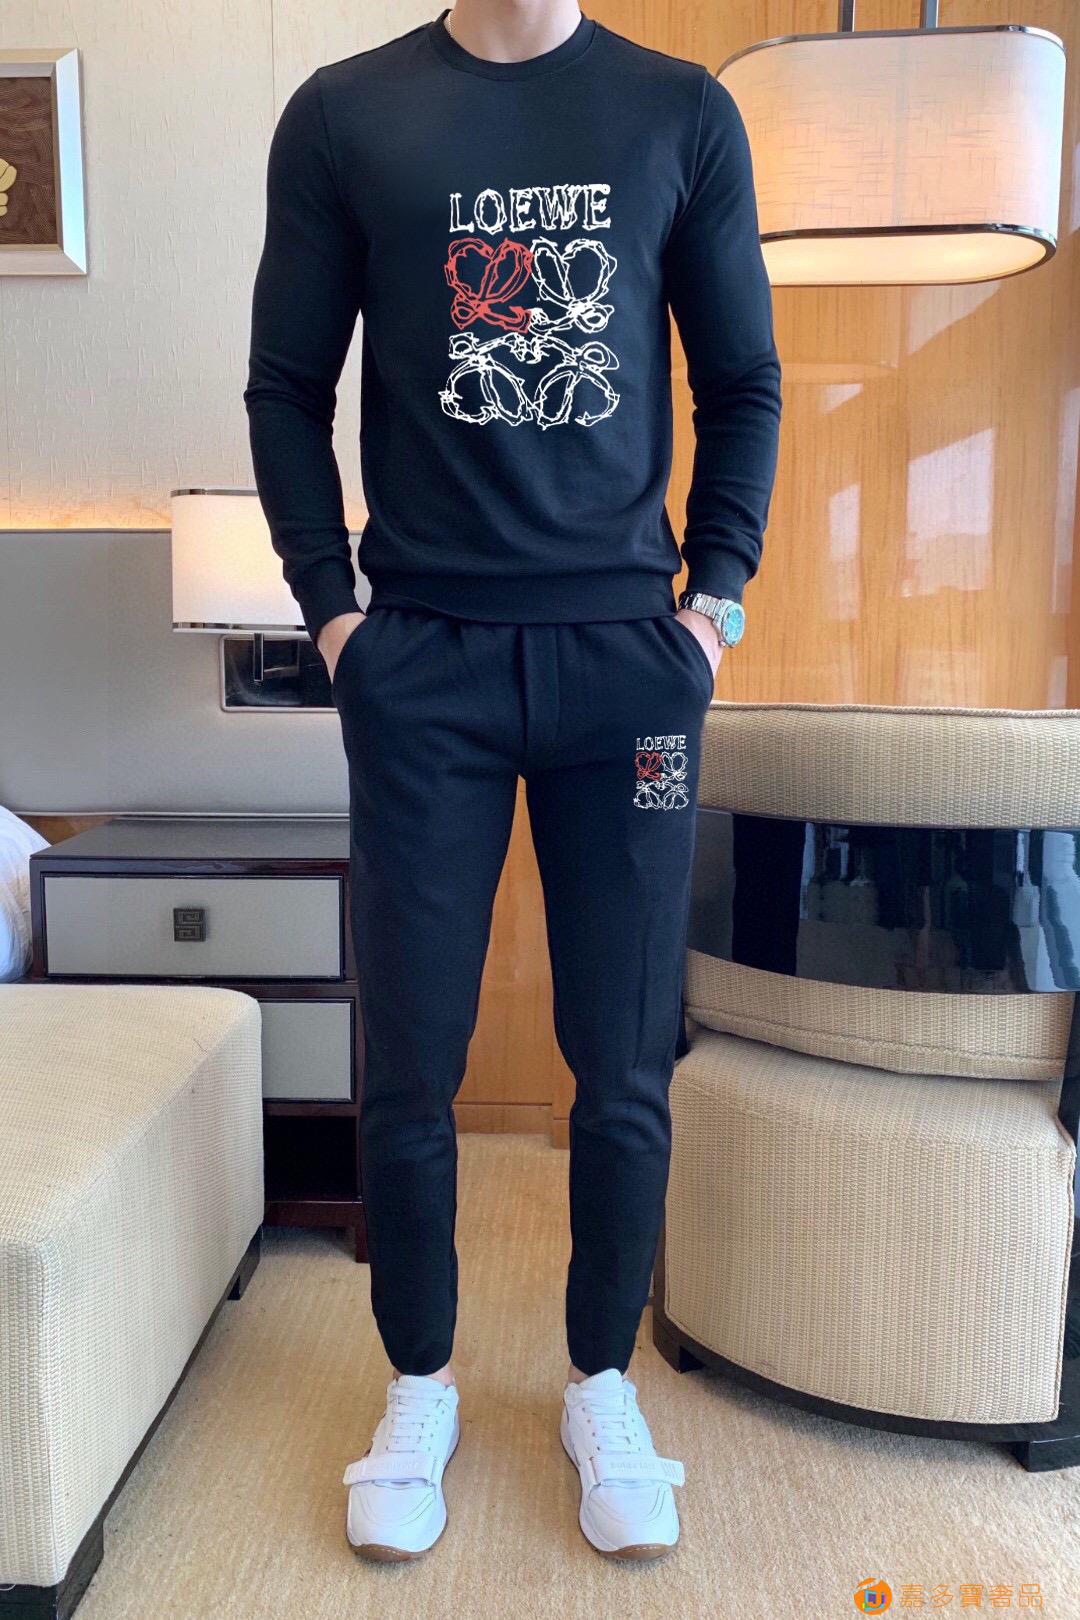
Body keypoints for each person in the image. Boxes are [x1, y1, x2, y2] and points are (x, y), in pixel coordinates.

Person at [245, 0, 780, 1564]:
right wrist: (334, 618)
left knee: (624, 1053)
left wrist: (712, 610)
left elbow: (744, 382)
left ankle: (600, 1382)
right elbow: (286, 385)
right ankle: (419, 1382)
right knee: (412, 1057)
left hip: (632, 673)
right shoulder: (344, 114)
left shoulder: (682, 112)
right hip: (422, 667)